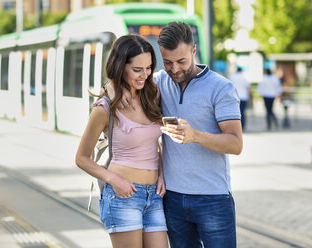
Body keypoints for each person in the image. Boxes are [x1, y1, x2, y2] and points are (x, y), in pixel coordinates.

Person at [109, 22, 243, 248]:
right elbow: (126, 85)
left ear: (193, 51)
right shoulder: (160, 82)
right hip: (172, 199)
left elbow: (235, 144)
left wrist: (195, 136)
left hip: (213, 198)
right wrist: (108, 92)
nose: (175, 69)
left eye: (181, 61)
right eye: (168, 62)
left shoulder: (221, 88)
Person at [75, 34, 168, 248]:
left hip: (153, 196)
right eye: (137, 70)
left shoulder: (152, 96)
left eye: (148, 68)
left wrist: (162, 172)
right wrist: (113, 180)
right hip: (123, 196)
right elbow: (81, 158)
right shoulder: (105, 108)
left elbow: (156, 144)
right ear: (120, 66)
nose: (144, 75)